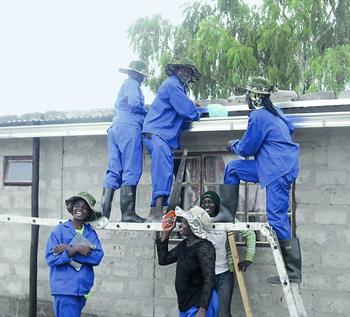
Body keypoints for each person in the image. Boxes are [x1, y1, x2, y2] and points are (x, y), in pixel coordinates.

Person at [224, 76, 302, 284]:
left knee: (276, 218)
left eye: (248, 95)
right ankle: (226, 215)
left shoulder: (258, 116)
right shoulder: (276, 113)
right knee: (233, 168)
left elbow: (248, 148)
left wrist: (233, 145)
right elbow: (291, 128)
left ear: (253, 97)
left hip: (275, 169)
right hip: (273, 166)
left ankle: (293, 271)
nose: (246, 99)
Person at [143, 57, 203, 221]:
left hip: (163, 136)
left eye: (189, 72)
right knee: (162, 172)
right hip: (158, 133)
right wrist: (201, 111)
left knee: (165, 172)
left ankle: (156, 211)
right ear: (176, 70)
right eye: (183, 70)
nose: (186, 73)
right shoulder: (172, 85)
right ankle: (156, 213)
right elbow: (187, 111)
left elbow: (184, 107)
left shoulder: (179, 88)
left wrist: (193, 106)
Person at [96, 60, 149, 228]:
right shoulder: (133, 84)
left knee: (113, 169)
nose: (143, 79)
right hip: (129, 127)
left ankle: (104, 214)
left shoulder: (124, 86)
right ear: (138, 74)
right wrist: (146, 110)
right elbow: (134, 103)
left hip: (115, 128)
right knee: (131, 168)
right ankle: (128, 214)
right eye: (143, 76)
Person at [45, 192, 104, 317]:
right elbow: (51, 258)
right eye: (77, 205)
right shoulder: (59, 231)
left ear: (88, 212)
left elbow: (97, 257)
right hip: (64, 289)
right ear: (72, 208)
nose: (80, 209)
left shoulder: (90, 233)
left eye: (84, 207)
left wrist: (67, 249)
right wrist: (75, 250)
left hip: (82, 289)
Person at [200, 191, 256, 317]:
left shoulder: (227, 219)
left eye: (210, 202)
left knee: (223, 314)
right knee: (205, 313)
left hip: (223, 276)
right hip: (203, 275)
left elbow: (250, 234)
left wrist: (248, 258)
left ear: (217, 204)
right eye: (203, 202)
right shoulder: (198, 221)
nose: (206, 205)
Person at [157, 206, 219, 317]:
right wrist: (166, 233)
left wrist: (202, 309)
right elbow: (163, 259)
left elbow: (209, 279)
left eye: (185, 222)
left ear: (194, 226)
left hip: (200, 303)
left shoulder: (205, 247)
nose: (180, 225)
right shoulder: (186, 244)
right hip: (186, 302)